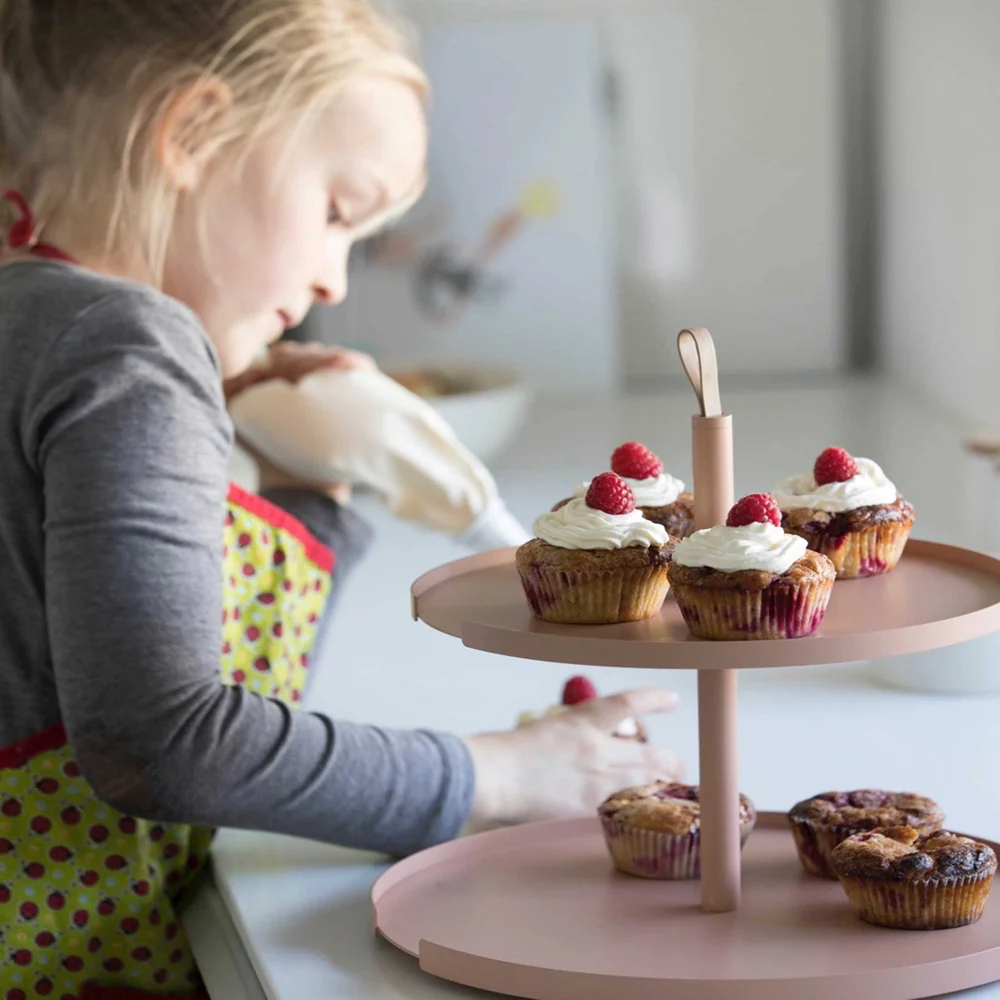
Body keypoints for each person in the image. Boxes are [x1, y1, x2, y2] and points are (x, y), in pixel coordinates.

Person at [0, 1, 683, 995]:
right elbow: (167, 745)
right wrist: (501, 771)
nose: (328, 278)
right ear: (190, 133)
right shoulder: (127, 344)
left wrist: (309, 499)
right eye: (336, 211)